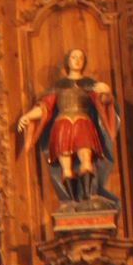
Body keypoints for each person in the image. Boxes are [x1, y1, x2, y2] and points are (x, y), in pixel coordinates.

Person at [17, 46, 117, 208]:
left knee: (86, 159)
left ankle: (87, 197)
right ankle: (72, 201)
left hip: (83, 123)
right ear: (67, 61)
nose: (77, 61)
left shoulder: (90, 84)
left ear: (84, 63)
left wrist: (107, 93)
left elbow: (103, 101)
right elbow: (44, 107)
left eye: (80, 58)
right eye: (73, 57)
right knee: (66, 164)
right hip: (62, 125)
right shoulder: (59, 86)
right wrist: (28, 116)